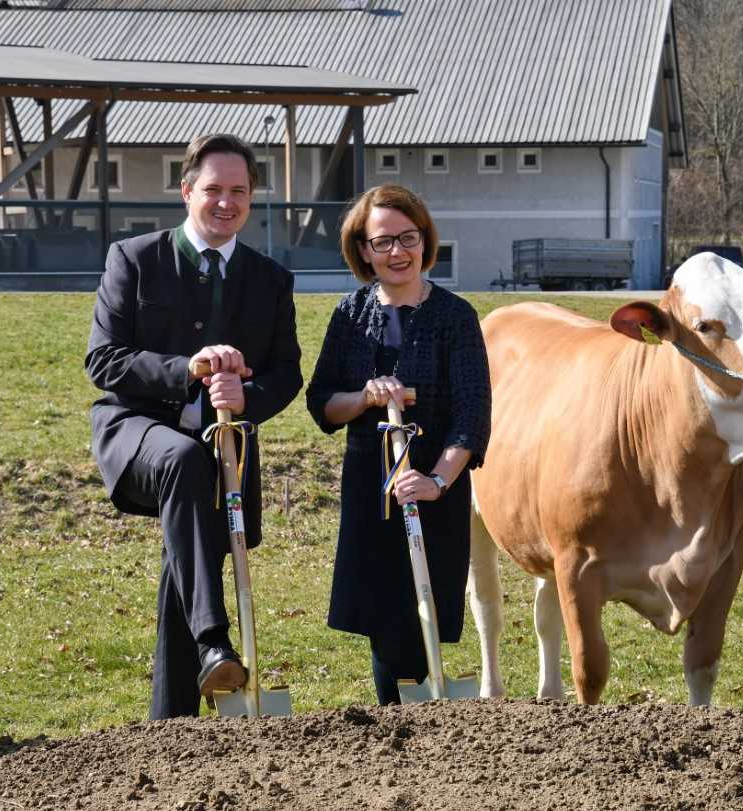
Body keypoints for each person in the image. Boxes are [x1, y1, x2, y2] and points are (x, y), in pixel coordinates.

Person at [85, 133, 302, 719]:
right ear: (186, 192)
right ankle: (214, 639)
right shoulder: (133, 258)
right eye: (213, 190)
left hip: (224, 446)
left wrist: (246, 394)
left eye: (238, 191)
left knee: (189, 558)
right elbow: (103, 361)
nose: (225, 203)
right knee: (184, 463)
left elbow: (287, 375)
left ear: (252, 198)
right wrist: (189, 369)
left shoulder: (271, 279)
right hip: (136, 431)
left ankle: (173, 720)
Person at [305, 184, 490, 705]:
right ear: (363, 250)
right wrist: (364, 397)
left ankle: (420, 723)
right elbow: (322, 404)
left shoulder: (455, 316)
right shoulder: (350, 314)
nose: (396, 252)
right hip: (371, 487)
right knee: (384, 623)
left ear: (424, 241)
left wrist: (435, 482)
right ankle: (397, 724)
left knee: (421, 611)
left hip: (432, 486)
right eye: (381, 242)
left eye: (407, 238)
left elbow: (472, 416)